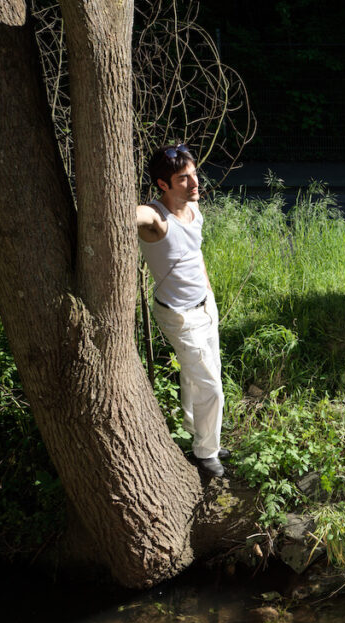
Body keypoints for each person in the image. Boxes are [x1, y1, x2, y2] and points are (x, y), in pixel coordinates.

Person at [136, 143, 227, 477]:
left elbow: (195, 252)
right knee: (211, 386)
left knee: (201, 374)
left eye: (193, 174)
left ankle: (200, 431)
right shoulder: (157, 219)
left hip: (205, 305)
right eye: (183, 179)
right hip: (179, 315)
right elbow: (137, 215)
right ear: (163, 185)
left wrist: (208, 289)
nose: (194, 183)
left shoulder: (194, 207)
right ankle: (206, 454)